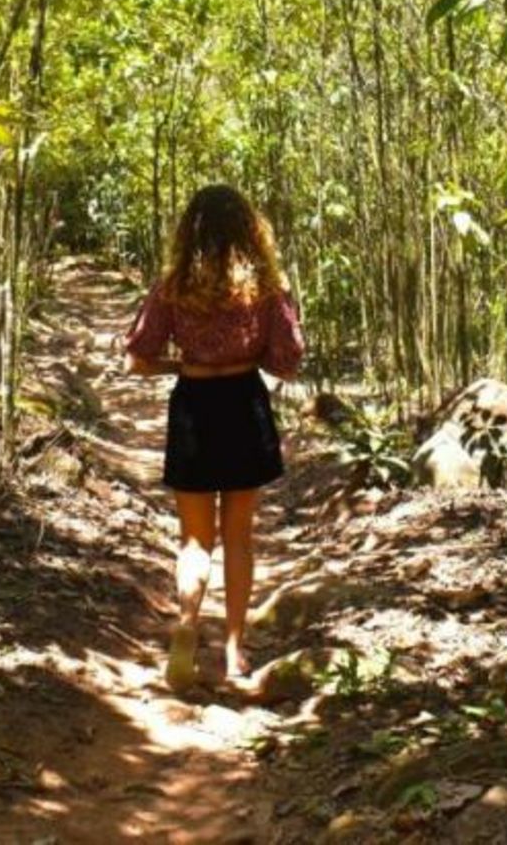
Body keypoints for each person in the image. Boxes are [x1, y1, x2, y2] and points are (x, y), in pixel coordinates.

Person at [125, 184, 304, 691]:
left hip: (194, 408)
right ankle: (233, 649)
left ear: (190, 231)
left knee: (194, 539)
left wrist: (181, 362)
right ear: (250, 228)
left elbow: (136, 358)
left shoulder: (172, 287)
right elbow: (288, 362)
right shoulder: (266, 287)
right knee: (240, 536)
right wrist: (251, 355)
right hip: (244, 406)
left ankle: (186, 624)